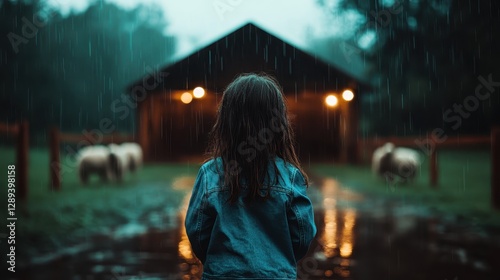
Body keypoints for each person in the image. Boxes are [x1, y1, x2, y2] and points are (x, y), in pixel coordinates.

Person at [185, 73, 317, 279]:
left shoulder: (210, 173)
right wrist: (277, 259)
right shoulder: (290, 176)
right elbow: (302, 236)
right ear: (278, 122)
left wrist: (221, 261)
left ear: (227, 121)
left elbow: (197, 233)